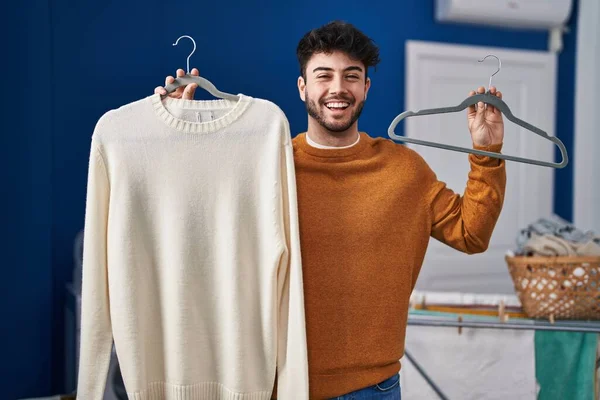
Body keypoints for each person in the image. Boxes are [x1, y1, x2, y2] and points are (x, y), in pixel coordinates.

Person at [154, 20, 506, 400]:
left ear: (366, 87)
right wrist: (176, 139)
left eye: (351, 76)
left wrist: (487, 153)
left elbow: (472, 234)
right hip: (280, 385)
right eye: (324, 76)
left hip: (374, 389)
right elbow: (195, 232)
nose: (338, 88)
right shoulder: (268, 168)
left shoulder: (405, 170)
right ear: (302, 86)